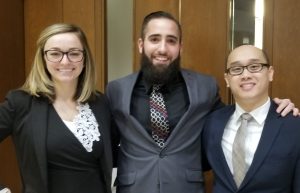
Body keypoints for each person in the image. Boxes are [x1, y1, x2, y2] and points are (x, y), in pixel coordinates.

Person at [106, 11, 298, 193]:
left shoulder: (204, 87)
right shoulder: (117, 90)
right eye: (154, 39)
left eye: (171, 41)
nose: (162, 48)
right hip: (135, 188)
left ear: (180, 47)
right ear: (141, 44)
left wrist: (275, 108)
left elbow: (232, 120)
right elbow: (107, 144)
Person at [0, 23, 112, 193]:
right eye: (55, 54)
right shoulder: (20, 103)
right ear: (43, 59)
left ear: (85, 59)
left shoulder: (100, 103)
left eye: (74, 53)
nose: (65, 61)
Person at [202, 45, 300, 192]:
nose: (246, 75)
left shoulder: (294, 126)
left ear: (270, 73)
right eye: (236, 69)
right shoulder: (212, 123)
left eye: (254, 66)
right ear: (227, 79)